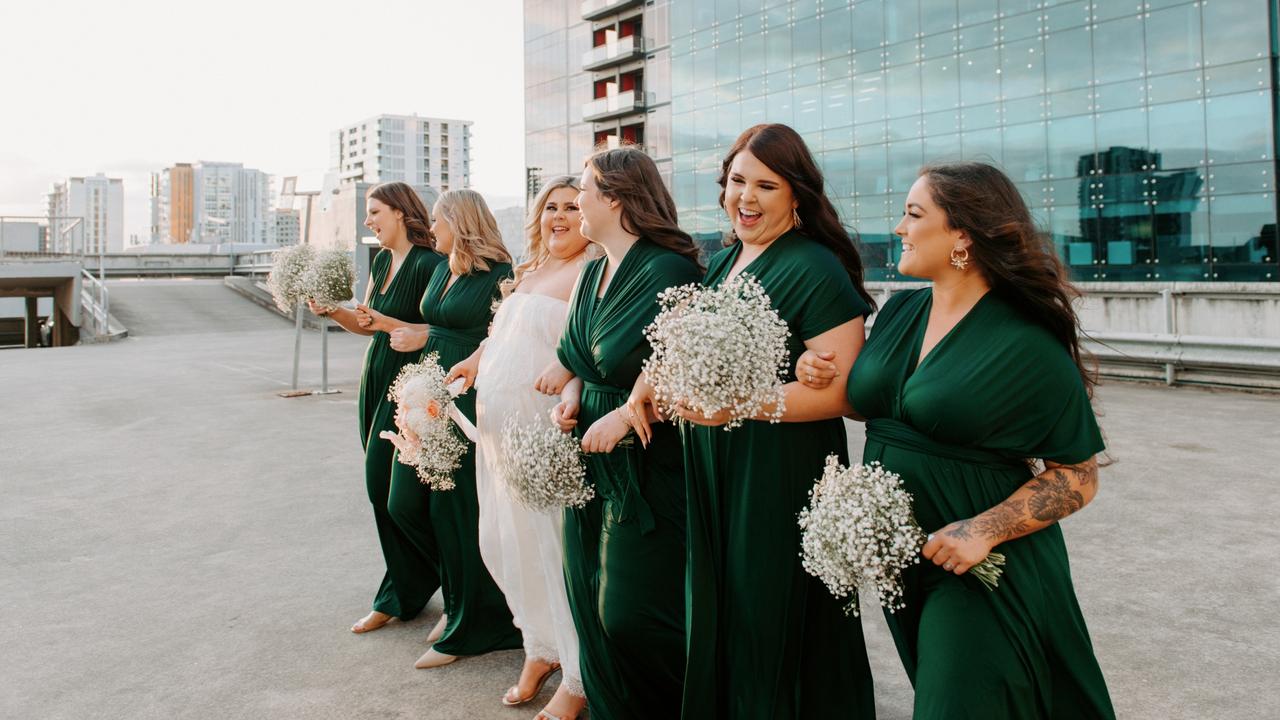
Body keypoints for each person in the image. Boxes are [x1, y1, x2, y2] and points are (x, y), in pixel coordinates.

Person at [797, 162, 1115, 719]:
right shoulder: (903, 310)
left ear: (962, 234)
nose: (899, 227)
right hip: (908, 560)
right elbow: (869, 395)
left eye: (914, 214)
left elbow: (1077, 475)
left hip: (983, 567)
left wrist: (982, 531)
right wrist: (811, 369)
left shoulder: (1024, 338)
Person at [625, 124, 878, 719]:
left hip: (779, 470)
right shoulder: (725, 263)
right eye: (738, 180)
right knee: (725, 609)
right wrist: (650, 383)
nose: (747, 196)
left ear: (797, 196)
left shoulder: (813, 266)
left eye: (767, 184)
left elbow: (845, 392)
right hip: (717, 464)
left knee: (770, 613)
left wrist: (736, 406)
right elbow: (694, 352)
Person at [549, 146, 702, 720]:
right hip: (585, 451)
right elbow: (577, 362)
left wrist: (623, 412)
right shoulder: (590, 272)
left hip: (647, 456)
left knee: (633, 613)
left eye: (584, 191)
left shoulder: (672, 271)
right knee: (587, 594)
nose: (576, 202)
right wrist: (569, 401)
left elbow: (691, 366)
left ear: (614, 197)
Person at [445, 176, 590, 720]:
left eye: (573, 207)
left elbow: (582, 347)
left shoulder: (588, 272)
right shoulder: (530, 271)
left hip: (541, 434)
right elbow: (502, 336)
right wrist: (474, 361)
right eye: (550, 206)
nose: (558, 216)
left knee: (553, 548)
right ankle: (539, 648)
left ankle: (576, 675)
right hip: (496, 434)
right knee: (507, 543)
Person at [381, 188, 523, 670]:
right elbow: (433, 328)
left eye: (438, 220)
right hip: (426, 390)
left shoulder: (500, 275)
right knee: (405, 502)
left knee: (456, 511)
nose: (431, 228)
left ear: (458, 222)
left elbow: (501, 339)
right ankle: (458, 594)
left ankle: (478, 622)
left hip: (464, 398)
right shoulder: (442, 267)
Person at [307, 182, 445, 639]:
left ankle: (435, 581)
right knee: (378, 491)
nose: (369, 220)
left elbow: (438, 330)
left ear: (402, 213)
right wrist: (333, 312)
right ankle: (403, 590)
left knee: (395, 493)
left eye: (375, 212)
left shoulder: (431, 263)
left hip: (411, 384)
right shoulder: (383, 261)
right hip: (376, 376)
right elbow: (370, 327)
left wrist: (390, 326)